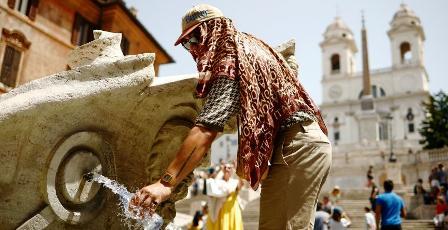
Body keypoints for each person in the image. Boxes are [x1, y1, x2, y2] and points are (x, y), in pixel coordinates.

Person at [129, 4, 331, 229]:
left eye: (194, 39)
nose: (192, 48)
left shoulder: (228, 53)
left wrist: (165, 183)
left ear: (212, 30)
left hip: (296, 146)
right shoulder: (251, 44)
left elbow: (207, 126)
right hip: (301, 145)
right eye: (187, 44)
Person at [205, 164, 243, 230]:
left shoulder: (234, 182)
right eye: (225, 167)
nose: (227, 169)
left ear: (232, 171)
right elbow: (210, 187)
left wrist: (239, 171)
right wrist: (218, 170)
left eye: (229, 168)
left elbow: (240, 186)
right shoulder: (217, 183)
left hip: (232, 212)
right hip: (220, 210)